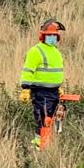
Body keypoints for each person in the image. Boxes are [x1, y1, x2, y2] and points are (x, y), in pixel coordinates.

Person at [19, 20, 65, 148]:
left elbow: (55, 72)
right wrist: (25, 89)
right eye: (49, 35)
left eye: (54, 35)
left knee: (53, 118)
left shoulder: (55, 52)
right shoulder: (36, 51)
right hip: (40, 91)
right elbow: (28, 70)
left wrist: (58, 87)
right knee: (44, 118)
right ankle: (39, 144)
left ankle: (46, 143)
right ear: (42, 36)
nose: (52, 38)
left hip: (54, 91)